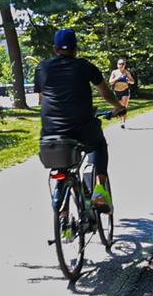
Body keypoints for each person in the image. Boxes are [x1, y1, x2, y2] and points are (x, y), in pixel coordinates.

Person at [33, 28, 125, 208]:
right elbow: (105, 92)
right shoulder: (85, 66)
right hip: (81, 128)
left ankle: (62, 215)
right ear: (76, 48)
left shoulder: (42, 68)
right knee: (98, 143)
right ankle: (100, 190)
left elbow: (42, 99)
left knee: (62, 166)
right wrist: (118, 106)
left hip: (50, 132)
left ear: (55, 49)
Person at [107, 58, 136, 127]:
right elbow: (110, 82)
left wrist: (128, 80)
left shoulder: (126, 72)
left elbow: (133, 82)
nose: (121, 65)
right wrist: (117, 78)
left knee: (123, 107)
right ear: (117, 65)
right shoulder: (114, 72)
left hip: (125, 91)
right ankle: (117, 117)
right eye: (120, 64)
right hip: (117, 92)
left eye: (123, 64)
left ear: (124, 65)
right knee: (118, 107)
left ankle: (123, 122)